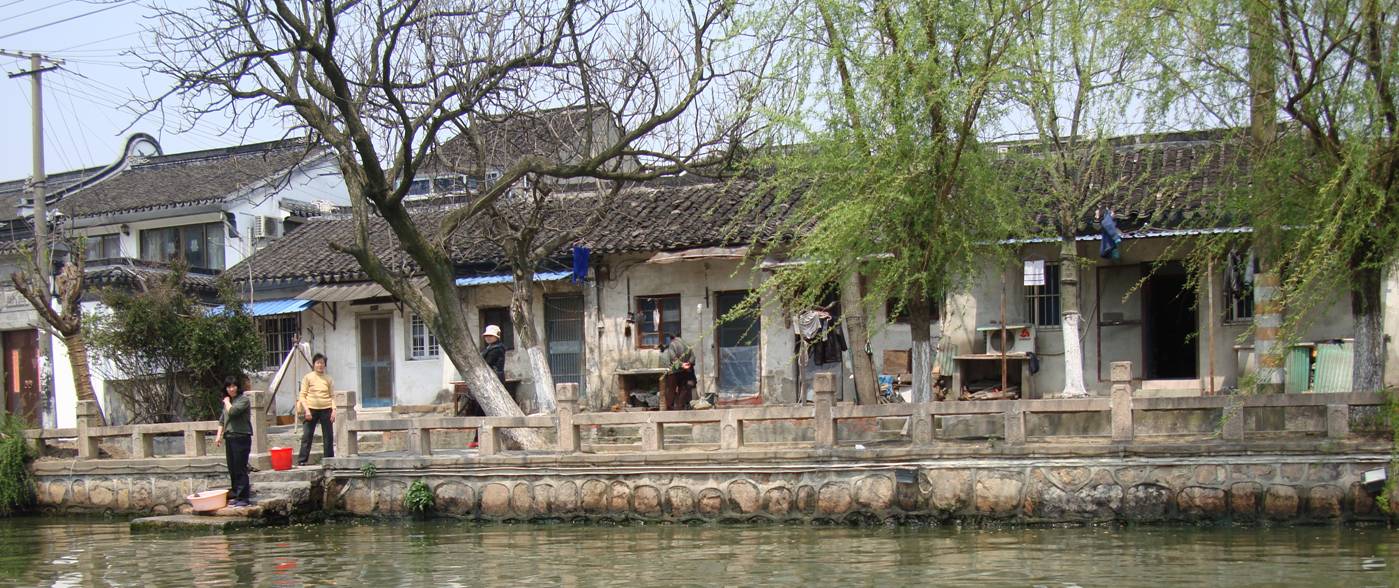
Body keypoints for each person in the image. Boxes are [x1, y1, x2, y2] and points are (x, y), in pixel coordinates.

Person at [214, 376, 252, 507]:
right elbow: (222, 420)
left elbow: (233, 412)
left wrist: (226, 402)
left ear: (237, 387)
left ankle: (244, 497)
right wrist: (218, 436)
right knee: (232, 468)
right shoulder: (228, 402)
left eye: (233, 386)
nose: (231, 389)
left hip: (241, 436)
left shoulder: (243, 400)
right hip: (230, 437)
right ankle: (236, 494)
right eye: (228, 386)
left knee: (240, 467)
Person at [469, 325, 508, 449]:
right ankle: (479, 438)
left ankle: (480, 438)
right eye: (486, 336)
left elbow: (486, 364)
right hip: (489, 381)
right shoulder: (490, 348)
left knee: (483, 410)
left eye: (490, 336)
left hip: (493, 381)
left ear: (496, 336)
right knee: (480, 410)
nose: (488, 338)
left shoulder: (497, 349)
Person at [297, 353, 335, 466]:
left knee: (328, 435)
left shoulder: (328, 378)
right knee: (307, 435)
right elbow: (302, 395)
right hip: (311, 409)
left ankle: (329, 460)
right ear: (314, 364)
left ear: (325, 365)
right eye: (318, 362)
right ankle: (302, 460)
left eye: (322, 363)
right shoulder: (308, 377)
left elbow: (332, 396)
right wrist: (307, 410)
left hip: (326, 408)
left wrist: (334, 410)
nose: (320, 365)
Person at [659, 333, 696, 410]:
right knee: (682, 389)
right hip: (685, 371)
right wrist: (688, 364)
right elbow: (693, 357)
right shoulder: (687, 344)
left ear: (671, 338)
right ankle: (680, 406)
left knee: (671, 389)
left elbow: (673, 358)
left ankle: (670, 407)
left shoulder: (672, 344)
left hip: (674, 371)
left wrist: (681, 365)